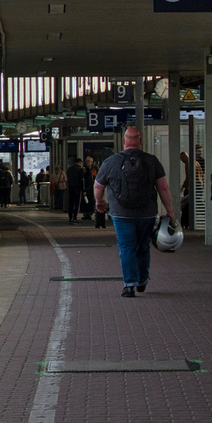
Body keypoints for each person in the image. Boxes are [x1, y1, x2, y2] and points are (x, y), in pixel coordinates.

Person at [92, 126, 175, 298]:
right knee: (143, 246)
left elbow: (98, 186)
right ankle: (142, 280)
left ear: (124, 141)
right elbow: (163, 188)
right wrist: (170, 211)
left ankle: (129, 285)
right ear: (140, 141)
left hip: (121, 213)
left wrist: (100, 202)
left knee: (126, 247)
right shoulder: (152, 161)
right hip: (147, 213)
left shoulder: (111, 161)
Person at [64, 157, 84, 223]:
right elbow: (81, 180)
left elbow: (68, 178)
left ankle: (70, 217)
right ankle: (75, 217)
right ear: (79, 163)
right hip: (78, 188)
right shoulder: (80, 170)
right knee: (77, 203)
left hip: (70, 188)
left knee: (70, 203)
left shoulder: (69, 169)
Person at [82, 155, 100, 223]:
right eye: (87, 161)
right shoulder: (84, 170)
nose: (88, 163)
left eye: (89, 161)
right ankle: (86, 214)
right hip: (88, 188)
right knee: (86, 201)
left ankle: (91, 213)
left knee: (93, 201)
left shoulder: (94, 170)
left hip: (93, 188)